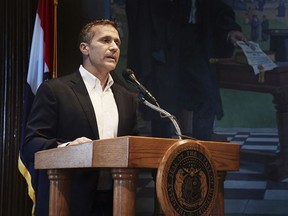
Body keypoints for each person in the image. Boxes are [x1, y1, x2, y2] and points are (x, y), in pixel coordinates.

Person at [22, 19, 139, 216]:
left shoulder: (127, 98)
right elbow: (31, 144)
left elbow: (133, 147)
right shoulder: (55, 90)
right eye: (105, 40)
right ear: (84, 48)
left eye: (117, 43)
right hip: (68, 200)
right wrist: (68, 149)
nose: (113, 47)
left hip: (116, 202)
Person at [126, 0, 246, 140]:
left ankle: (201, 153)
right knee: (162, 103)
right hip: (163, 46)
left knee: (207, 99)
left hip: (196, 45)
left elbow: (217, 8)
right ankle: (162, 157)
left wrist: (231, 30)